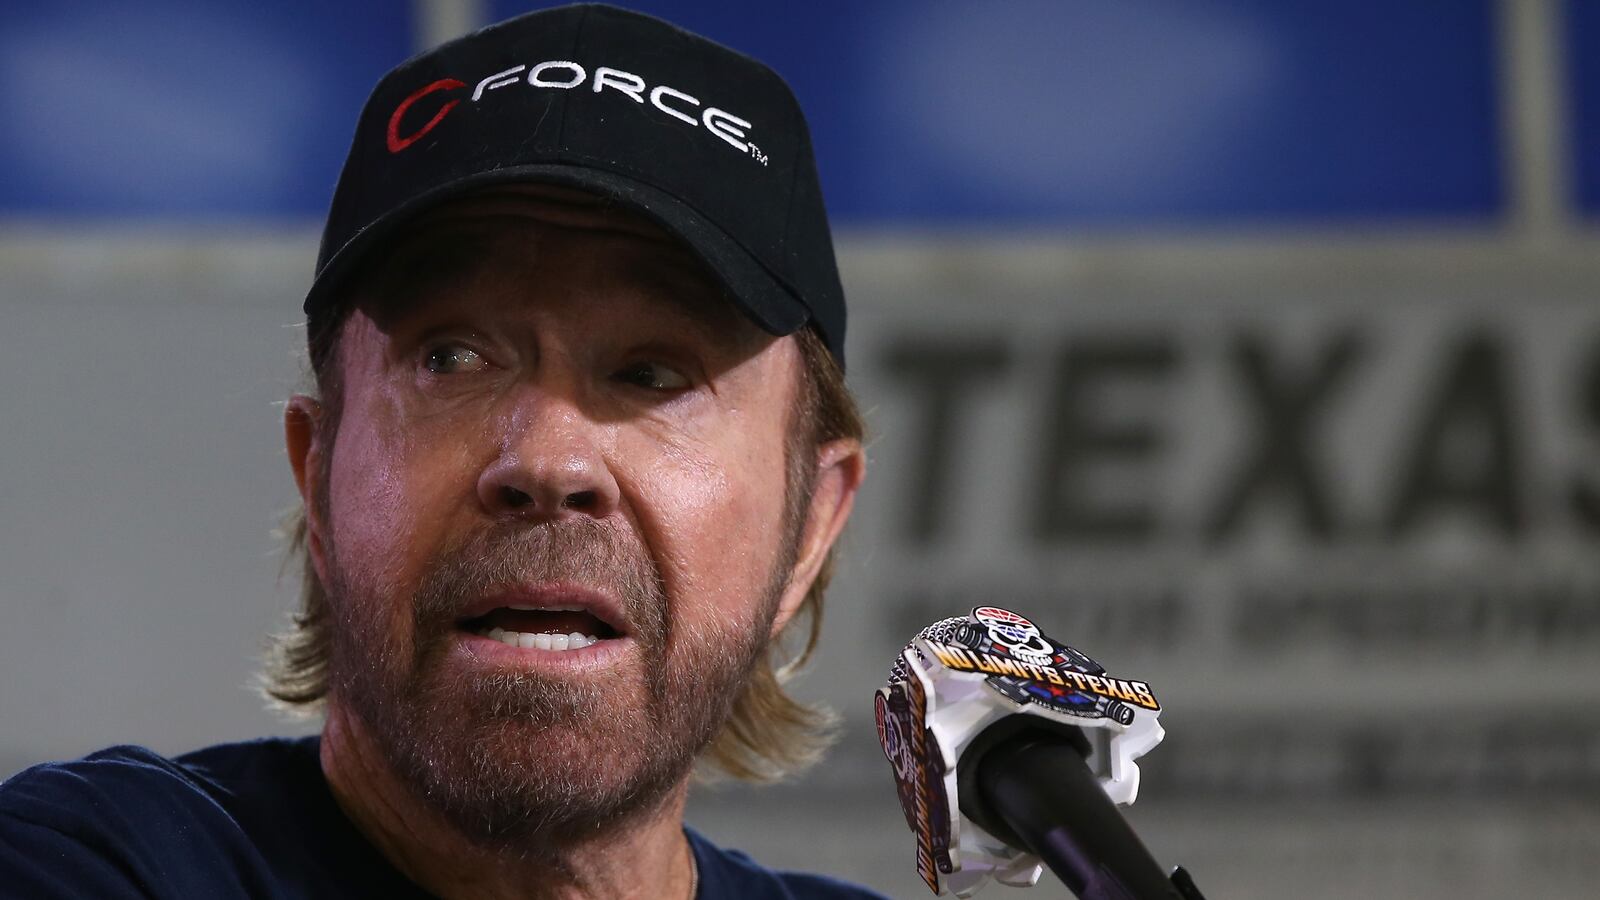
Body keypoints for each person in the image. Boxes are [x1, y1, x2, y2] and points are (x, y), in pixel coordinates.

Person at [0, 5, 880, 897]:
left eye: (653, 373)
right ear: (318, 479)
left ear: (809, 523)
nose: (548, 460)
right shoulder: (82, 870)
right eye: (451, 358)